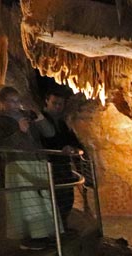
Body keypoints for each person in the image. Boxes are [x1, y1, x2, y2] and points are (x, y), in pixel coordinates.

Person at [0, 85, 58, 250]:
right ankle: (30, 237)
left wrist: (39, 116)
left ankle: (45, 233)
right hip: (18, 163)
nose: (15, 104)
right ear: (3, 102)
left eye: (17, 100)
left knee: (43, 200)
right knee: (26, 202)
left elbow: (49, 133)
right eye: (11, 101)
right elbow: (2, 145)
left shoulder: (27, 116)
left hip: (37, 160)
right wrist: (19, 131)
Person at [41, 88, 83, 228]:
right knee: (56, 196)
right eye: (55, 103)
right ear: (47, 101)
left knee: (67, 195)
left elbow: (72, 139)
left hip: (63, 164)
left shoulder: (61, 123)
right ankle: (56, 229)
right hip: (49, 164)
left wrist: (74, 147)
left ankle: (63, 225)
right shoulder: (40, 120)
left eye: (60, 104)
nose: (58, 107)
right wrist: (61, 148)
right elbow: (46, 140)